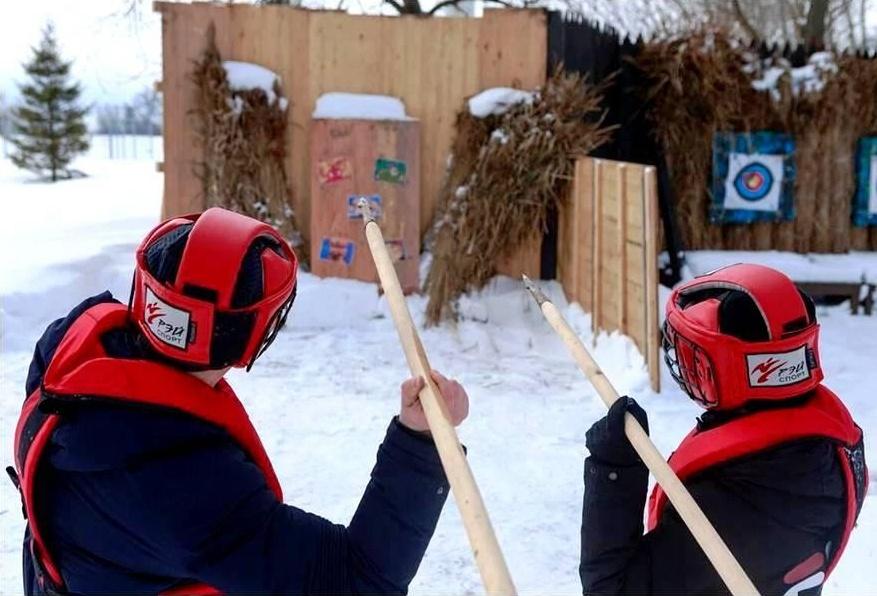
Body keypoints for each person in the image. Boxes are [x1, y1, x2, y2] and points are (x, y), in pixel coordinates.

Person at [8, 207, 469, 595]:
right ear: (250, 337)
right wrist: (420, 443)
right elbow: (359, 580)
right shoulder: (193, 490)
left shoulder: (68, 343)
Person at [579, 264, 868, 595]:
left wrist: (614, 468)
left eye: (697, 361)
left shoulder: (730, 506)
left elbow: (612, 590)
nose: (688, 370)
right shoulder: (823, 453)